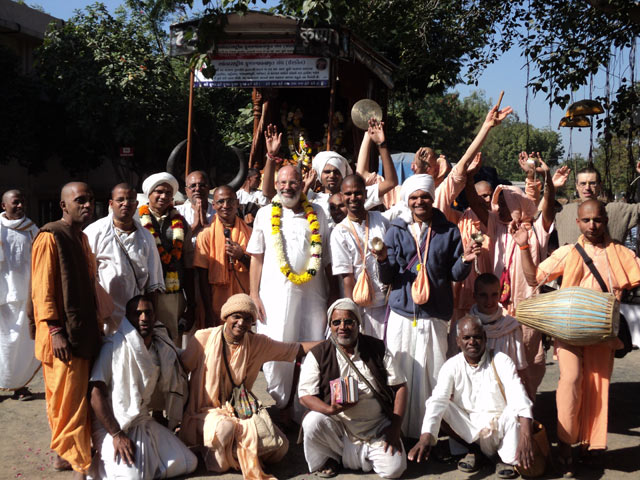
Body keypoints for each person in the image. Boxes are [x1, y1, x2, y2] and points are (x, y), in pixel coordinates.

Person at [516, 199, 640, 475]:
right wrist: (524, 246)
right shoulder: (568, 252)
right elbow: (534, 277)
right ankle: (565, 444)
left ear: (605, 220)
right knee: (570, 382)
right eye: (586, 220)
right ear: (577, 223)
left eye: (597, 220)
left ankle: (592, 447)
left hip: (602, 331)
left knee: (598, 387)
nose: (592, 225)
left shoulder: (620, 252)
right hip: (570, 329)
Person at [376, 173, 481, 439]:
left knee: (434, 374)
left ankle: (432, 432)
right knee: (401, 373)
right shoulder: (396, 230)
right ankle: (401, 432)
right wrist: (382, 260)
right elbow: (387, 278)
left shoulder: (448, 230)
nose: (419, 201)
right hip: (402, 313)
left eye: (424, 196)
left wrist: (467, 259)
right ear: (407, 201)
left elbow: (456, 274)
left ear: (432, 199)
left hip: (434, 313)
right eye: (414, 197)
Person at [180, 294, 319, 479]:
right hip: (203, 412)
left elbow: (294, 349)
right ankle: (218, 448)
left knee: (280, 448)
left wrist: (331, 343)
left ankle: (233, 449)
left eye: (247, 318)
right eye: (236, 316)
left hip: (240, 411)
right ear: (226, 317)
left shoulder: (257, 343)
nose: (241, 322)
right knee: (224, 431)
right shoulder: (202, 338)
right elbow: (181, 370)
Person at [31, 182, 110, 478]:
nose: (87, 205)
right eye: (80, 200)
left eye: (90, 200)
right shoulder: (50, 236)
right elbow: (43, 289)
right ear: (64, 205)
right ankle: (79, 463)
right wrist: (54, 330)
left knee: (74, 400)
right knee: (68, 402)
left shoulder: (82, 239)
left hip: (83, 330)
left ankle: (67, 453)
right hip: (62, 337)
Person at [465, 154, 557, 400]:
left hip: (527, 308)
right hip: (498, 307)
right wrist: (470, 174)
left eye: (506, 202)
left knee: (527, 359)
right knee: (496, 360)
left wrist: (545, 177)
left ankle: (526, 410)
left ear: (519, 202)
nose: (501, 207)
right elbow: (473, 200)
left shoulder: (537, 229)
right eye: (500, 203)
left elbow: (548, 204)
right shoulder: (496, 224)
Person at [247, 165, 334, 415]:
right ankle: (278, 405)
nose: (287, 187)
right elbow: (257, 257)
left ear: (302, 184)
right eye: (283, 183)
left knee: (312, 346)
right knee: (277, 348)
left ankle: (303, 409)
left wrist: (332, 293)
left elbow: (325, 257)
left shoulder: (317, 212)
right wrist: (254, 295)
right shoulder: (265, 214)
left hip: (313, 296)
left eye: (293, 182)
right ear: (276, 185)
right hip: (274, 296)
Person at [408, 316, 534, 479]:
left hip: (501, 427)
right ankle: (475, 451)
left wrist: (526, 435)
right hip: (469, 430)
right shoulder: (451, 366)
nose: (472, 342)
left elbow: (518, 395)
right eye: (466, 338)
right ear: (458, 341)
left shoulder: (501, 360)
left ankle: (498, 457)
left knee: (515, 413)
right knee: (439, 405)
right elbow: (438, 401)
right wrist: (426, 436)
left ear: (485, 338)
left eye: (477, 337)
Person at [88, 294, 196, 479]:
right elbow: (95, 394)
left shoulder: (162, 346)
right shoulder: (113, 346)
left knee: (188, 462)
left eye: (148, 313)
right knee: (133, 478)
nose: (144, 318)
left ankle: (144, 460)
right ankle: (96, 467)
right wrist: (116, 434)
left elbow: (184, 360)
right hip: (113, 426)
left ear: (155, 316)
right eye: (137, 314)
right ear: (128, 318)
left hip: (142, 420)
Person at [299, 298, 408, 478]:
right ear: (330, 326)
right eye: (336, 322)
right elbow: (304, 396)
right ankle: (330, 457)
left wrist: (395, 427)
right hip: (339, 428)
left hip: (377, 428)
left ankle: (347, 457)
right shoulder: (318, 354)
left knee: (394, 470)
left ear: (358, 323)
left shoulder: (376, 348)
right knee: (312, 421)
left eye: (348, 321)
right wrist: (329, 409)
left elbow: (400, 386)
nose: (343, 327)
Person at [84, 184, 164, 333]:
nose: (126, 204)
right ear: (111, 203)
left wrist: (151, 319)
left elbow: (153, 284)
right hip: (104, 317)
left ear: (137, 204)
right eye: (120, 200)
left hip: (135, 318)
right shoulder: (94, 233)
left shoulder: (146, 237)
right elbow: (85, 278)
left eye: (130, 200)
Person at [331, 174, 390, 338]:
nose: (353, 198)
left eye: (357, 193)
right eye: (348, 194)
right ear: (342, 196)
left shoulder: (380, 220)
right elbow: (347, 277)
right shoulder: (339, 232)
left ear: (365, 194)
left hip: (387, 303)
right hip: (362, 306)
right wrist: (352, 313)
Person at [140, 172, 195, 342]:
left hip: (173, 295)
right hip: (143, 293)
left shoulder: (181, 222)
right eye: (159, 191)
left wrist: (192, 304)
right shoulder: (135, 220)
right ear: (149, 194)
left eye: (168, 193)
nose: (164, 196)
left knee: (171, 343)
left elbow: (188, 263)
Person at [309, 120, 398, 225]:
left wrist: (381, 145)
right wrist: (306, 187)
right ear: (320, 175)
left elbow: (391, 182)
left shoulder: (353, 197)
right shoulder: (312, 199)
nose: (332, 175)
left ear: (343, 175)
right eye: (327, 172)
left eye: (336, 172)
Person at [0, 189, 40, 400]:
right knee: (2, 344)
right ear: (3, 205)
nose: (20, 206)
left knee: (22, 345)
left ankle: (20, 386)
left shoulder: (32, 230)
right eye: (15, 202)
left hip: (25, 296)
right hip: (2, 298)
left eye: (22, 202)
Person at [195, 185, 252, 326]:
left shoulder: (250, 232)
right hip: (216, 303)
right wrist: (208, 312)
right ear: (213, 205)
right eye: (220, 202)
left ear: (237, 203)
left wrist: (241, 256)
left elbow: (259, 268)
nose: (226, 206)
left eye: (230, 201)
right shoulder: (205, 234)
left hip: (243, 298)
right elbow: (202, 276)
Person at [555, 163, 640, 245]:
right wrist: (553, 187)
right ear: (577, 186)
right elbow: (542, 215)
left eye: (592, 183)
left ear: (600, 185)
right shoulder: (563, 212)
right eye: (583, 183)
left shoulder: (617, 210)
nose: (587, 188)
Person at [470, 273, 527, 372]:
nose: (489, 301)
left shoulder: (511, 327)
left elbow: (520, 368)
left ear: (500, 295)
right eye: (483, 295)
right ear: (474, 296)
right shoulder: (463, 329)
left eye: (494, 295)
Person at [176, 170, 215, 246]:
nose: (197, 189)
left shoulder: (219, 212)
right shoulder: (176, 212)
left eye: (202, 185)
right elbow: (174, 242)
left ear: (208, 188)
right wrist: (194, 226)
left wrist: (205, 224)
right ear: (186, 191)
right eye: (193, 186)